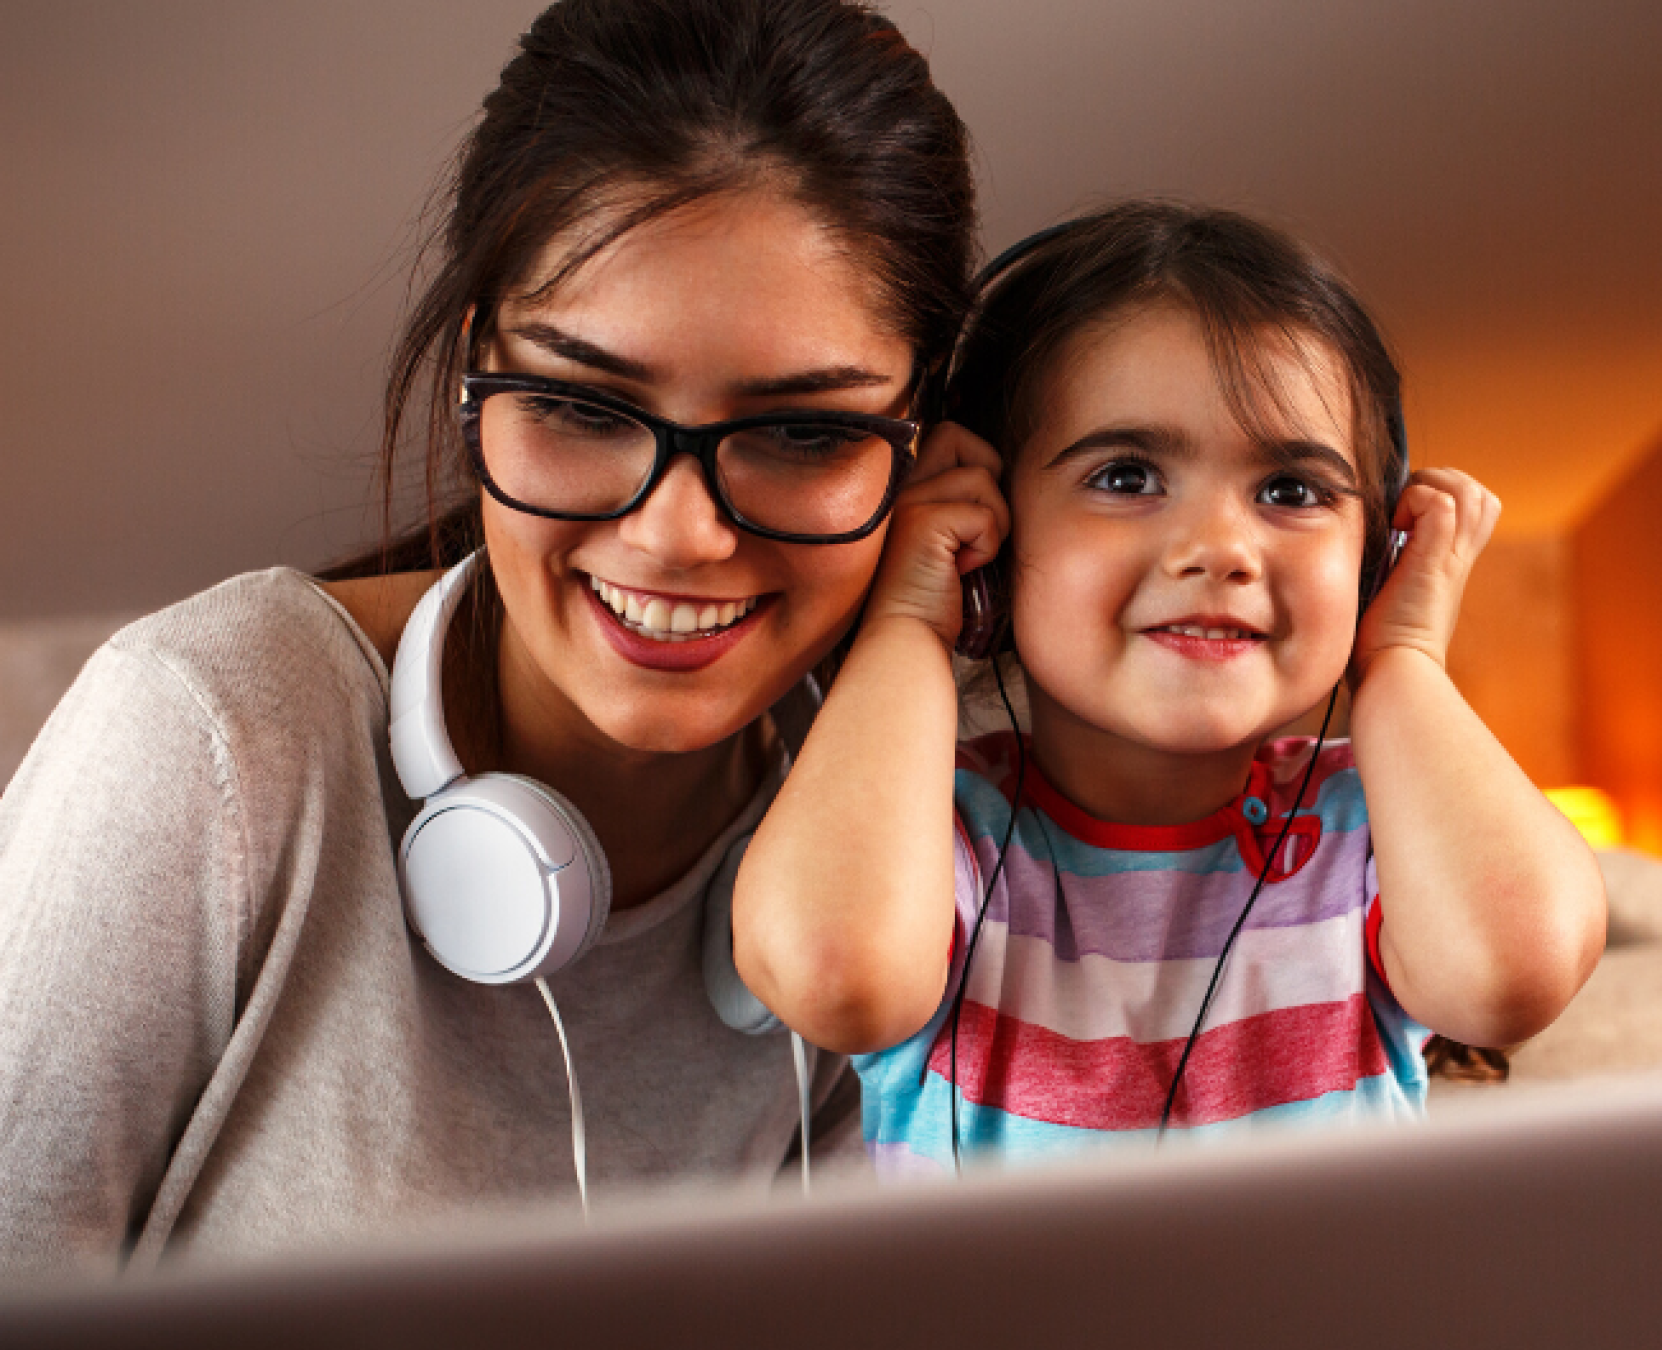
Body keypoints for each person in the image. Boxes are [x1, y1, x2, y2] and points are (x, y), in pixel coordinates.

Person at [0, 0, 974, 1273]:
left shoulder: (923, 842)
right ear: (476, 387)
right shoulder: (209, 740)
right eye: (578, 405)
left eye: (803, 434)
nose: (678, 534)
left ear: (927, 442)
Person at [729, 203, 1609, 1176]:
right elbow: (831, 971)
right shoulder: (933, 836)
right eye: (1128, 474)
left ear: (1372, 560)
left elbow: (1515, 971)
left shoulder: (1368, 831)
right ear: (990, 536)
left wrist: (1400, 657)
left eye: (1290, 491)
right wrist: (906, 620)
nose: (1221, 550)